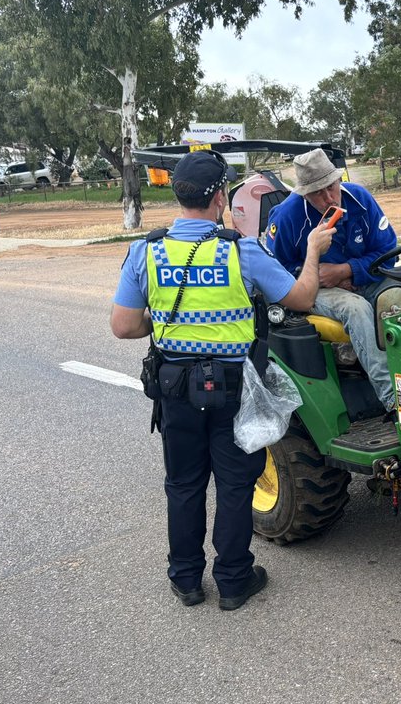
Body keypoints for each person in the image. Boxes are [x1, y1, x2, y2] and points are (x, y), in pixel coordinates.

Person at [110, 150, 331, 610]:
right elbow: (304, 297)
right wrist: (311, 252)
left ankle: (186, 580)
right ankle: (233, 581)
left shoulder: (145, 250)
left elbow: (124, 325)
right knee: (235, 484)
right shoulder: (241, 250)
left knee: (184, 484)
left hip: (174, 390)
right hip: (233, 390)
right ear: (218, 198)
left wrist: (172, 321)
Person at [266, 148, 397, 412]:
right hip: (315, 290)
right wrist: (316, 271)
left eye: (330, 187)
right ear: (304, 193)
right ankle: (394, 400)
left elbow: (388, 251)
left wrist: (346, 270)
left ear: (339, 179)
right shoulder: (288, 216)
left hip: (363, 280)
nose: (328, 198)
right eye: (317, 193)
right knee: (356, 308)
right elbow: (275, 273)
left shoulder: (360, 199)